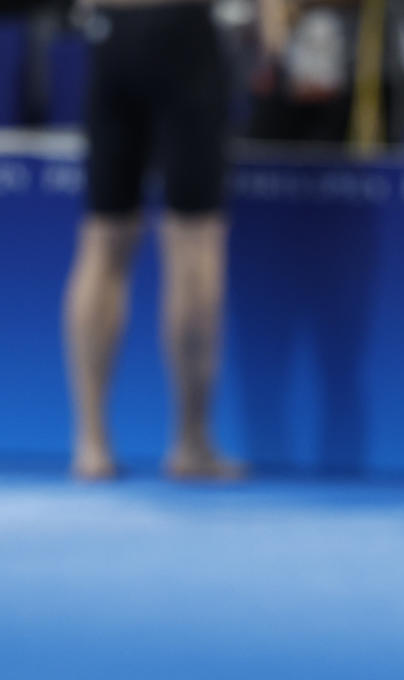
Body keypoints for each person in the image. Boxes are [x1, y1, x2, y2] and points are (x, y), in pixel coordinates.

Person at [64, 0, 244, 480]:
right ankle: (191, 442)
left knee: (104, 236)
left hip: (109, 30)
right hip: (180, 30)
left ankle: (90, 444)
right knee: (194, 239)